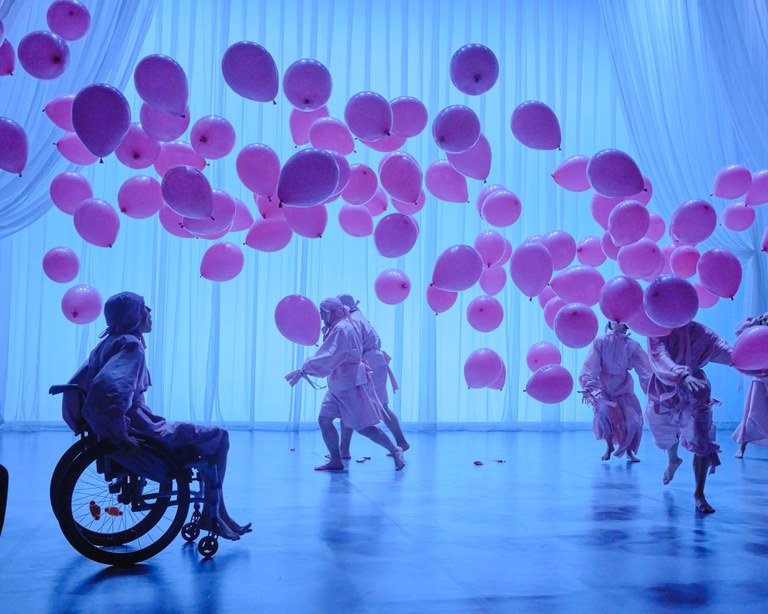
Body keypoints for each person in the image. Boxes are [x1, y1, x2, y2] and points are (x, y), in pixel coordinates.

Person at [67, 292, 250, 541]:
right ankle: (213, 513)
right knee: (219, 437)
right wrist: (120, 435)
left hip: (137, 423)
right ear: (132, 316)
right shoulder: (131, 346)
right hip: (143, 429)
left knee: (203, 436)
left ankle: (219, 512)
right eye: (144, 307)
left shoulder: (109, 342)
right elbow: (111, 393)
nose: (150, 312)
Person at [295, 297, 405, 472]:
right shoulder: (343, 325)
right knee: (324, 419)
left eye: (323, 312)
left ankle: (395, 449)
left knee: (363, 426)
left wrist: (308, 367)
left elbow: (331, 355)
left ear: (332, 312)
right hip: (338, 383)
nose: (321, 317)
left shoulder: (343, 328)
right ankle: (337, 458)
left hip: (348, 384)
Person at [645, 320, 732, 514]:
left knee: (701, 440)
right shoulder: (657, 329)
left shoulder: (697, 330)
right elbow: (660, 356)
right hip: (663, 390)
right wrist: (680, 375)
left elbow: (722, 348)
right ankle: (673, 459)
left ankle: (699, 494)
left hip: (695, 391)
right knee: (664, 435)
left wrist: (749, 359)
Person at [334, 294, 409, 459]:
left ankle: (344, 450)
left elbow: (352, 347)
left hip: (368, 364)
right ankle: (344, 449)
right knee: (377, 405)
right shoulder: (360, 318)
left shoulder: (351, 321)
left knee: (352, 404)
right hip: (375, 362)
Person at [579, 322, 651, 462]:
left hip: (624, 388)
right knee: (602, 415)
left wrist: (653, 389)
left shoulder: (632, 345)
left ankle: (629, 451)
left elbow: (644, 369)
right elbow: (591, 365)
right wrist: (589, 386)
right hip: (603, 387)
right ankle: (609, 446)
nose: (618, 322)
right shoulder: (600, 341)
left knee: (633, 420)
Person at [732, 313, 768, 458]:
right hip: (760, 379)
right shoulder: (756, 333)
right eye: (765, 319)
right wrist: (755, 322)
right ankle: (742, 446)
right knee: (753, 413)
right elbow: (738, 331)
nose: (767, 321)